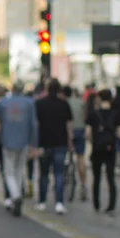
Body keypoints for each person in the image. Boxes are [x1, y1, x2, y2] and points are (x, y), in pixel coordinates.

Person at [0, 81, 38, 217]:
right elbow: (34, 124)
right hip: (24, 141)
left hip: (7, 141)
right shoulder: (29, 103)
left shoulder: (3, 103)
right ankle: (18, 193)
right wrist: (34, 144)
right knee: (20, 170)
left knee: (8, 171)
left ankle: (15, 196)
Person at [35, 78, 73, 215]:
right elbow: (69, 125)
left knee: (44, 173)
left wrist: (35, 144)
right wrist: (70, 142)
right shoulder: (64, 104)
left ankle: (42, 201)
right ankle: (59, 203)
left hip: (44, 143)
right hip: (61, 142)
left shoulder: (39, 104)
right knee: (59, 173)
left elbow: (36, 125)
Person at [86, 89, 120, 215]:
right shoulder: (116, 114)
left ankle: (96, 204)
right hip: (110, 148)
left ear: (99, 98)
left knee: (96, 177)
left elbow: (88, 134)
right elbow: (119, 133)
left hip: (97, 148)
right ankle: (111, 205)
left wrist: (95, 141)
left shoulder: (93, 113)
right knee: (110, 177)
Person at [63, 86, 88, 200]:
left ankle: (64, 177)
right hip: (80, 130)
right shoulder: (80, 102)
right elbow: (85, 117)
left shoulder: (63, 103)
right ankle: (83, 185)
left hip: (67, 132)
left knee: (64, 156)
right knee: (81, 157)